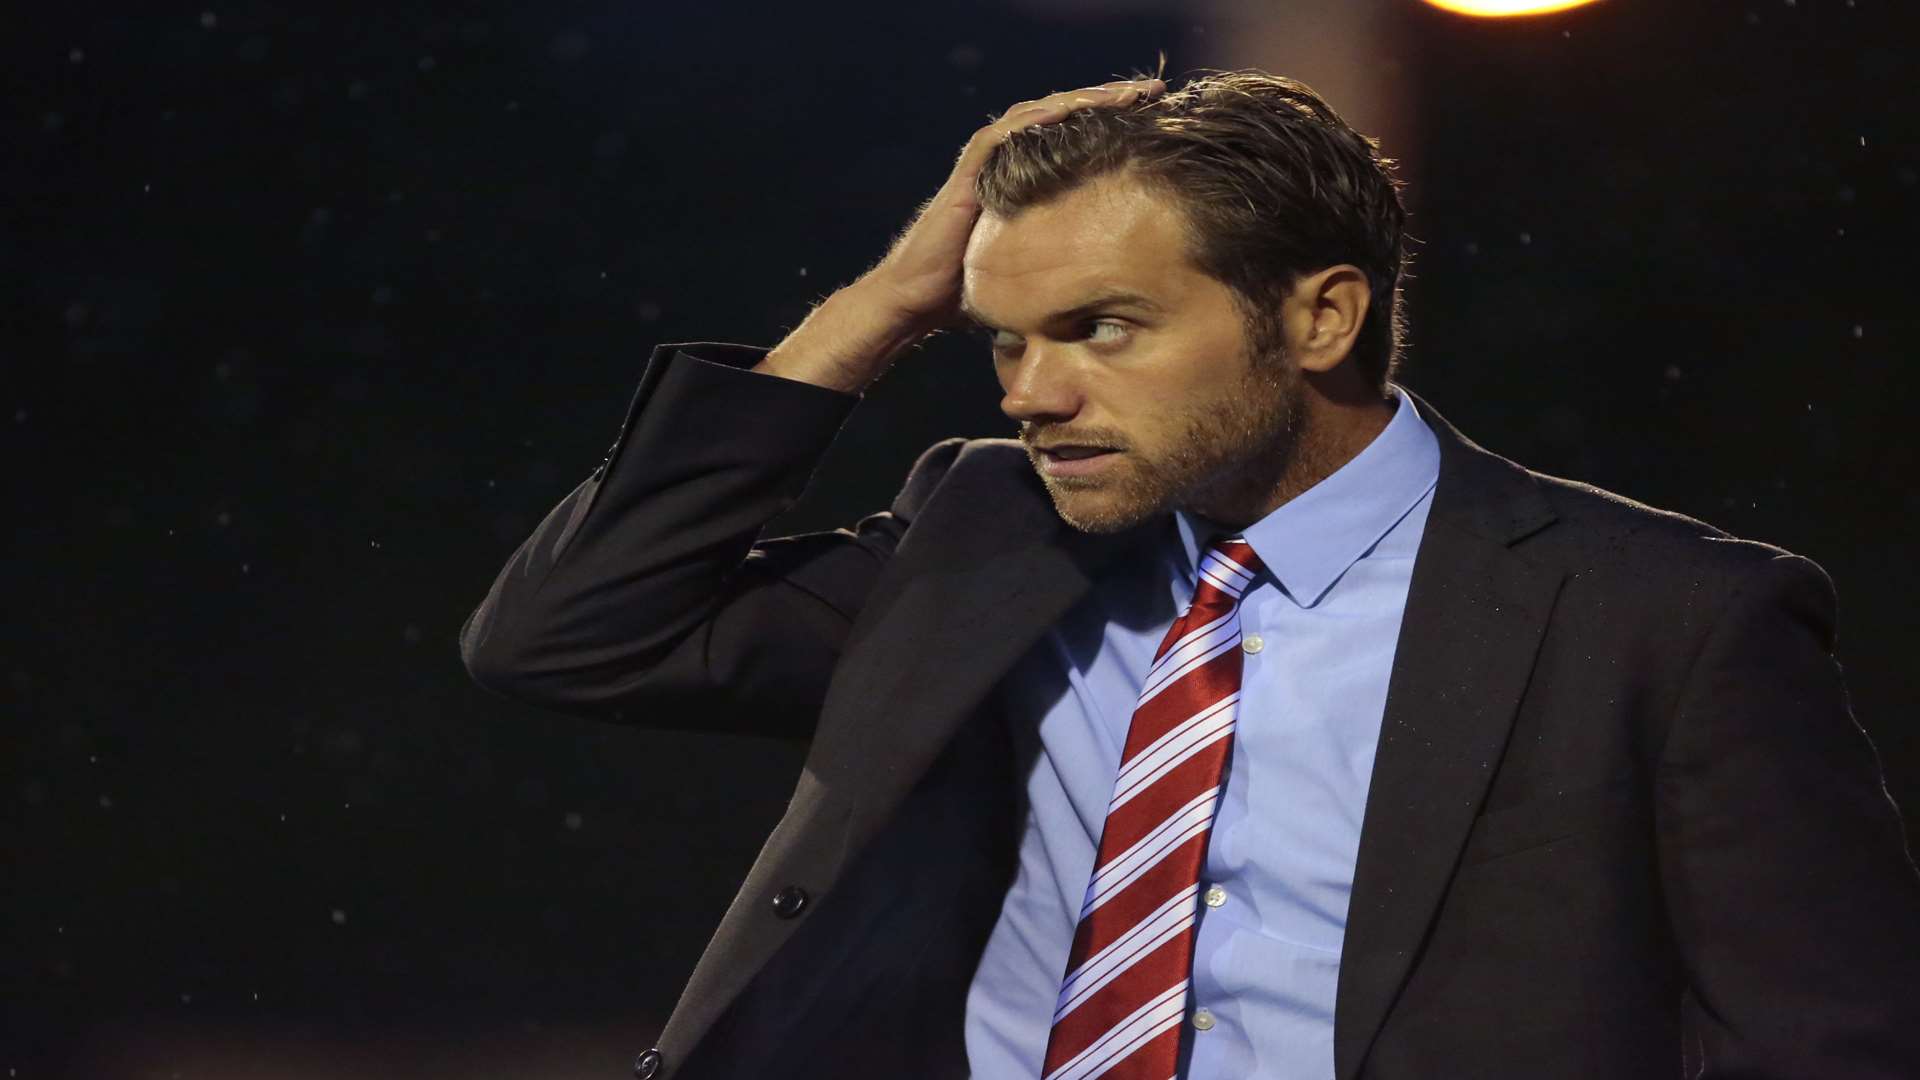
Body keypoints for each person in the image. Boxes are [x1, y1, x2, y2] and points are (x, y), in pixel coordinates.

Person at [459, 68, 1920, 1080]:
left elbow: (1827, 1046)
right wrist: (891, 301)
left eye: (1102, 326)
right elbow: (570, 634)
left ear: (1321, 316)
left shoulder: (1664, 618)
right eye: (1003, 341)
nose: (1031, 392)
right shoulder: (988, 537)